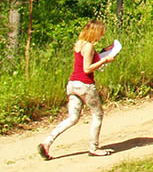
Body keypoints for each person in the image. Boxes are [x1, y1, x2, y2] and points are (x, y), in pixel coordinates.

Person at [39, 19, 117, 159]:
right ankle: (94, 148)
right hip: (85, 85)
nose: (101, 36)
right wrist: (105, 60)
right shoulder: (88, 46)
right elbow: (87, 69)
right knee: (97, 114)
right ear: (95, 32)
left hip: (73, 84)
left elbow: (84, 61)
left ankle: (47, 142)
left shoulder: (79, 44)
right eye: (101, 33)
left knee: (73, 118)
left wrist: (102, 54)